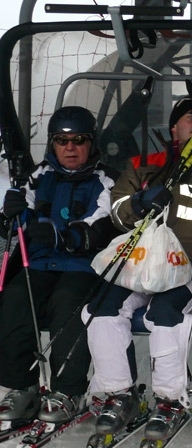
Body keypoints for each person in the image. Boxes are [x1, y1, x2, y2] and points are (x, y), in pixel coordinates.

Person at [81, 87, 192, 440]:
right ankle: (119, 393)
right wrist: (139, 203)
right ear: (173, 127)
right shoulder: (144, 164)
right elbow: (118, 211)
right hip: (140, 263)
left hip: (191, 265)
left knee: (166, 312)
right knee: (101, 308)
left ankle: (170, 400)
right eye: (191, 117)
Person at [0, 106, 118, 425]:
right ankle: (22, 386)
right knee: (15, 299)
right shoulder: (40, 176)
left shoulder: (105, 180)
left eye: (79, 140)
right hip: (40, 263)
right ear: (52, 143)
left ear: (91, 143)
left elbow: (102, 224)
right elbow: (20, 218)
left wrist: (64, 236)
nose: (70, 147)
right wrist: (11, 213)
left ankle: (68, 390)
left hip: (83, 267)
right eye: (62, 141)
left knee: (68, 304)